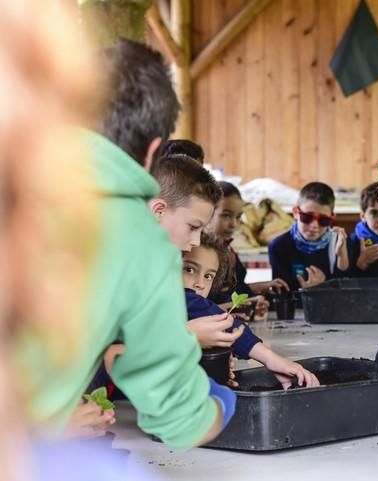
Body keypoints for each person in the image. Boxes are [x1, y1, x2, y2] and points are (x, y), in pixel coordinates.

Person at [18, 38, 235, 450]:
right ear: (154, 149)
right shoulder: (137, 235)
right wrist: (222, 407)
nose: (190, 245)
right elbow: (179, 416)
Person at [183, 233, 320, 389]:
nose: (200, 283)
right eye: (189, 269)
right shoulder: (182, 296)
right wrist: (271, 359)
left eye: (208, 276)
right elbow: (224, 324)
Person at [206, 181, 289, 315]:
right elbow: (196, 304)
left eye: (238, 217)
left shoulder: (228, 249)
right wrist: (234, 307)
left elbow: (233, 291)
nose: (233, 224)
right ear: (207, 212)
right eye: (226, 215)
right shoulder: (199, 253)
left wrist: (258, 292)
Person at [269, 182, 349, 290]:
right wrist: (307, 291)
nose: (314, 226)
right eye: (307, 217)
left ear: (332, 218)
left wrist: (342, 256)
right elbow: (281, 292)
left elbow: (345, 291)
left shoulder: (340, 242)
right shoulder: (279, 246)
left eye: (323, 220)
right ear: (296, 213)